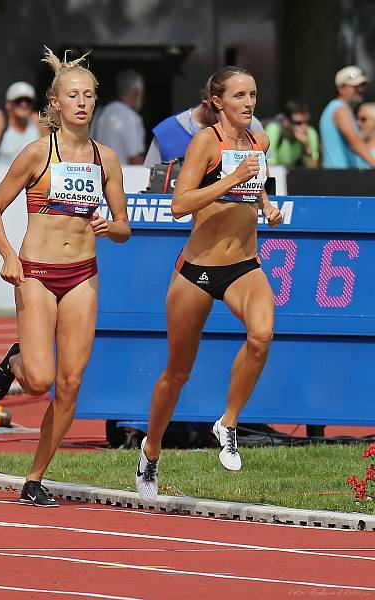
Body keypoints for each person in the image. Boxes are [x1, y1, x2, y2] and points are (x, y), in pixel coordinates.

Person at [0, 48, 131, 508]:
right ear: (56, 101)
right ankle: (15, 362)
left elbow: (124, 226)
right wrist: (8, 255)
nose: (82, 103)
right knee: (39, 380)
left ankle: (35, 477)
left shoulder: (105, 158)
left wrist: (114, 227)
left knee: (70, 384)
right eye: (73, 95)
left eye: (89, 95)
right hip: (37, 274)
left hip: (82, 275)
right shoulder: (36, 153)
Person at [134, 67, 284, 502]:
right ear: (218, 101)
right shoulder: (205, 142)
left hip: (243, 265)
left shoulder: (260, 141)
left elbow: (254, 188)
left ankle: (228, 422)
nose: (249, 103)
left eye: (253, 94)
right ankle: (151, 449)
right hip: (197, 270)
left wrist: (267, 205)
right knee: (177, 373)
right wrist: (228, 182)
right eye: (239, 95)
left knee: (261, 334)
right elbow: (179, 204)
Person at [144, 85, 265, 168]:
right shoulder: (167, 131)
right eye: (221, 116)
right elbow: (152, 184)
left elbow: (265, 178)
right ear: (206, 106)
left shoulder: (251, 125)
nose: (226, 123)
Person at [319, 66, 375, 169]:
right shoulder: (340, 109)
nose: (360, 89)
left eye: (362, 86)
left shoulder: (341, 109)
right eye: (355, 86)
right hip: (339, 176)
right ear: (341, 88)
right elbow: (354, 141)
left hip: (338, 175)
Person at [90, 69, 145, 165]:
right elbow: (134, 157)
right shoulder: (128, 115)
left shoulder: (100, 112)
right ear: (136, 92)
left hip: (100, 173)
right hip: (124, 175)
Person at [264, 100, 320, 168]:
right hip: (276, 173)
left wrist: (307, 146)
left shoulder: (310, 133)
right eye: (298, 123)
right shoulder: (274, 129)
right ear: (286, 121)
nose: (304, 127)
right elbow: (270, 165)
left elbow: (313, 168)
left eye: (306, 122)